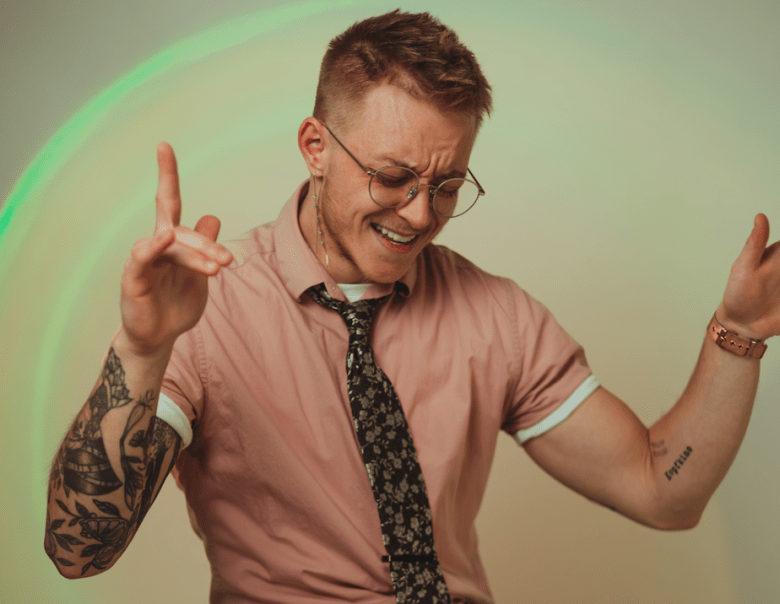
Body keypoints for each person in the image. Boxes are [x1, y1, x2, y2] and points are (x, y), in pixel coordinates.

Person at [44, 9, 779, 604]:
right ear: (315, 145)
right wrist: (143, 351)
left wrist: (738, 333)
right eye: (393, 177)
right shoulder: (208, 310)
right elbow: (79, 552)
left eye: (449, 185)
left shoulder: (496, 316)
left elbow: (661, 494)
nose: (421, 214)